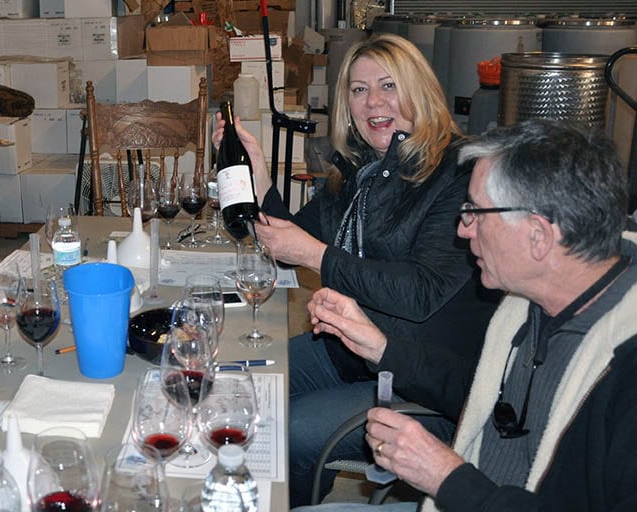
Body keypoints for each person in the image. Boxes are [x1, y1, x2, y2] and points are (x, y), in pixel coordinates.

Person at [298, 119, 637, 511]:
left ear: (538, 235)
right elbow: (479, 391)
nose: (463, 230)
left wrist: (446, 477)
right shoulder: (530, 300)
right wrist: (380, 347)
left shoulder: (634, 367)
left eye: (476, 212)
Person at [214, 33, 500, 504]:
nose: (373, 103)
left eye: (388, 86)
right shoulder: (361, 171)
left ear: (419, 91)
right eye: (358, 89)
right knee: (239, 391)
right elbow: (287, 240)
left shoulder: (457, 173)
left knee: (283, 432)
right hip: (349, 351)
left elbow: (421, 291)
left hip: (421, 383)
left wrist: (316, 255)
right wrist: (258, 172)